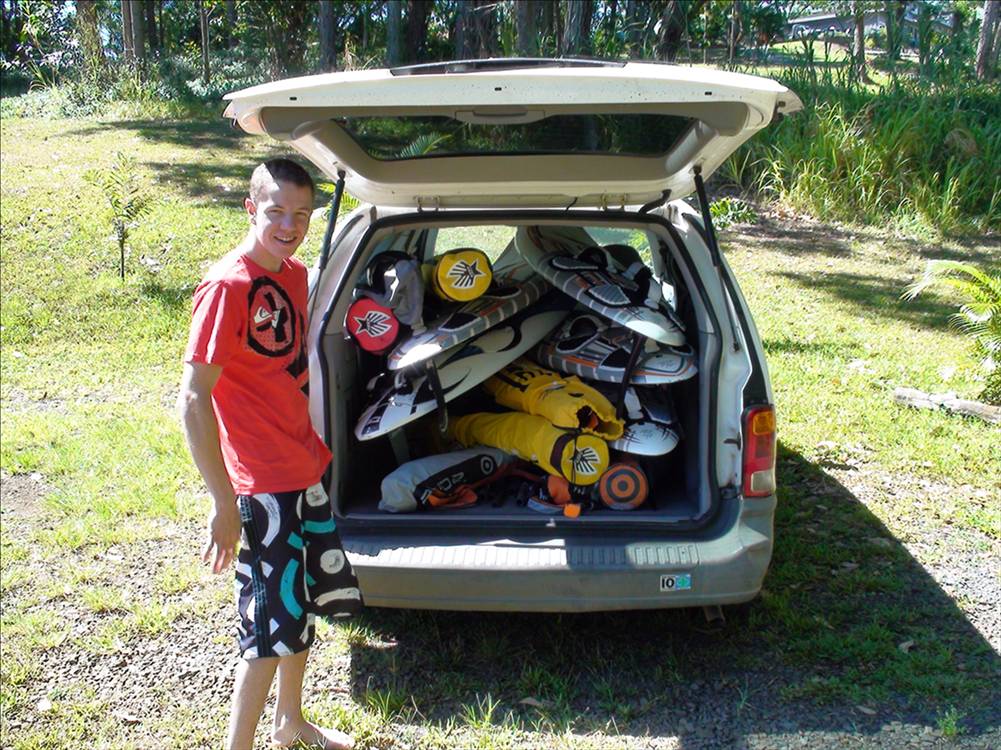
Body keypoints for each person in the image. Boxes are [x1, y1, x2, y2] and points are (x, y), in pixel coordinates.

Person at [177, 158, 360, 750]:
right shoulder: (226, 286)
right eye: (276, 211)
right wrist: (222, 501)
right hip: (260, 483)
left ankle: (290, 722)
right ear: (250, 208)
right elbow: (193, 398)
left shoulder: (295, 274)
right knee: (264, 630)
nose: (289, 225)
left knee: (297, 604)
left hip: (301, 466)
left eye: (301, 214)